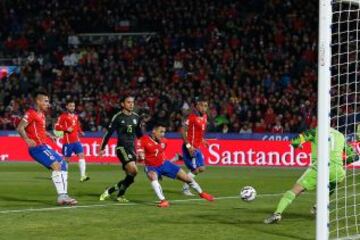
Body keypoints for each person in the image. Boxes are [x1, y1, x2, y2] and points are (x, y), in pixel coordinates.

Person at [264, 127, 359, 224]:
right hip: (338, 171)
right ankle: (318, 206)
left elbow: (294, 141)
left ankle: (277, 214)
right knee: (331, 184)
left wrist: (297, 145)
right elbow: (354, 157)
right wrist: (341, 162)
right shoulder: (340, 135)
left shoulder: (315, 131)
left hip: (320, 167)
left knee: (296, 190)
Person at [16, 90, 77, 205]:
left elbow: (41, 130)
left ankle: (63, 195)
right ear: (38, 101)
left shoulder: (42, 115)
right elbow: (20, 128)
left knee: (63, 164)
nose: (48, 103)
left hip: (44, 146)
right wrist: (27, 139)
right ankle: (62, 196)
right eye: (46, 101)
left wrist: (50, 136)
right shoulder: (31, 113)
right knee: (56, 165)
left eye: (48, 101)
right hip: (37, 148)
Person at [137, 123, 214, 207]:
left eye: (164, 132)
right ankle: (163, 201)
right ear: (154, 131)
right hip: (151, 166)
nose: (163, 134)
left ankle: (202, 193)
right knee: (152, 176)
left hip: (165, 164)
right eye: (161, 131)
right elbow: (140, 156)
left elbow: (161, 154)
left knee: (187, 178)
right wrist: (140, 157)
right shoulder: (143, 140)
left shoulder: (164, 141)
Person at [99, 95, 143, 202]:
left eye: (132, 102)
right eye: (128, 102)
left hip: (132, 148)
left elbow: (140, 135)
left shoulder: (137, 117)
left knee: (131, 175)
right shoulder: (118, 117)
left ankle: (115, 193)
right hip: (121, 148)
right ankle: (117, 193)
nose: (131, 104)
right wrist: (102, 147)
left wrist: (141, 149)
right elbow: (108, 133)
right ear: (122, 104)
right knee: (134, 170)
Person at [55, 99, 89, 182]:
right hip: (68, 142)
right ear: (67, 106)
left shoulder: (75, 116)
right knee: (66, 160)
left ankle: (83, 176)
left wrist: (80, 131)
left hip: (76, 140)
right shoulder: (63, 116)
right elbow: (57, 127)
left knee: (81, 155)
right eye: (70, 106)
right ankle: (63, 175)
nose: (72, 107)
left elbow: (77, 125)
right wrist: (66, 129)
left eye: (73, 106)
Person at [181, 97, 209, 196]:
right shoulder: (192, 117)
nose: (204, 108)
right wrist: (188, 146)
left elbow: (199, 132)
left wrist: (202, 140)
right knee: (195, 170)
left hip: (196, 147)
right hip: (190, 147)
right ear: (197, 106)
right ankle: (185, 188)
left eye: (206, 106)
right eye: (202, 105)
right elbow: (183, 131)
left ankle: (179, 157)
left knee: (202, 168)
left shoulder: (205, 117)